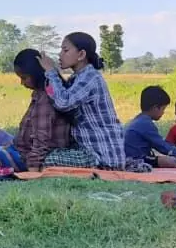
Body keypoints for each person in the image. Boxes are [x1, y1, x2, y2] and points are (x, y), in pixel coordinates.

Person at [38, 33, 126, 169]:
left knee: (49, 160)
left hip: (102, 155)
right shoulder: (78, 78)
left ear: (81, 55)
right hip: (89, 150)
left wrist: (50, 71)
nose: (60, 55)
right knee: (49, 155)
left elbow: (63, 102)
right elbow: (57, 96)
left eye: (65, 50)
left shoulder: (90, 77)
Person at [8, 48, 75, 172]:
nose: (22, 83)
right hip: (25, 151)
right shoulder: (40, 94)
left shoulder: (45, 98)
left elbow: (41, 141)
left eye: (24, 77)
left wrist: (32, 168)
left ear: (35, 74)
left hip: (33, 157)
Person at [124, 86, 176, 169]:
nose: (163, 112)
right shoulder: (145, 124)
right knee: (171, 161)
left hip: (131, 157)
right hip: (136, 159)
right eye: (163, 109)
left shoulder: (139, 119)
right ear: (156, 108)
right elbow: (162, 146)